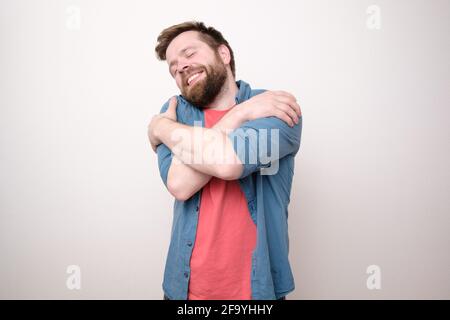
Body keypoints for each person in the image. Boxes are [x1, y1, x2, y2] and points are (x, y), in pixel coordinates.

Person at [148, 21, 302, 300]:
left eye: (189, 53)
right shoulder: (174, 113)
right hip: (184, 293)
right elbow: (180, 185)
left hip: (256, 294)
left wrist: (159, 129)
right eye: (173, 67)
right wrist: (239, 116)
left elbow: (229, 163)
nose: (180, 67)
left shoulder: (273, 108)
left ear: (223, 53)